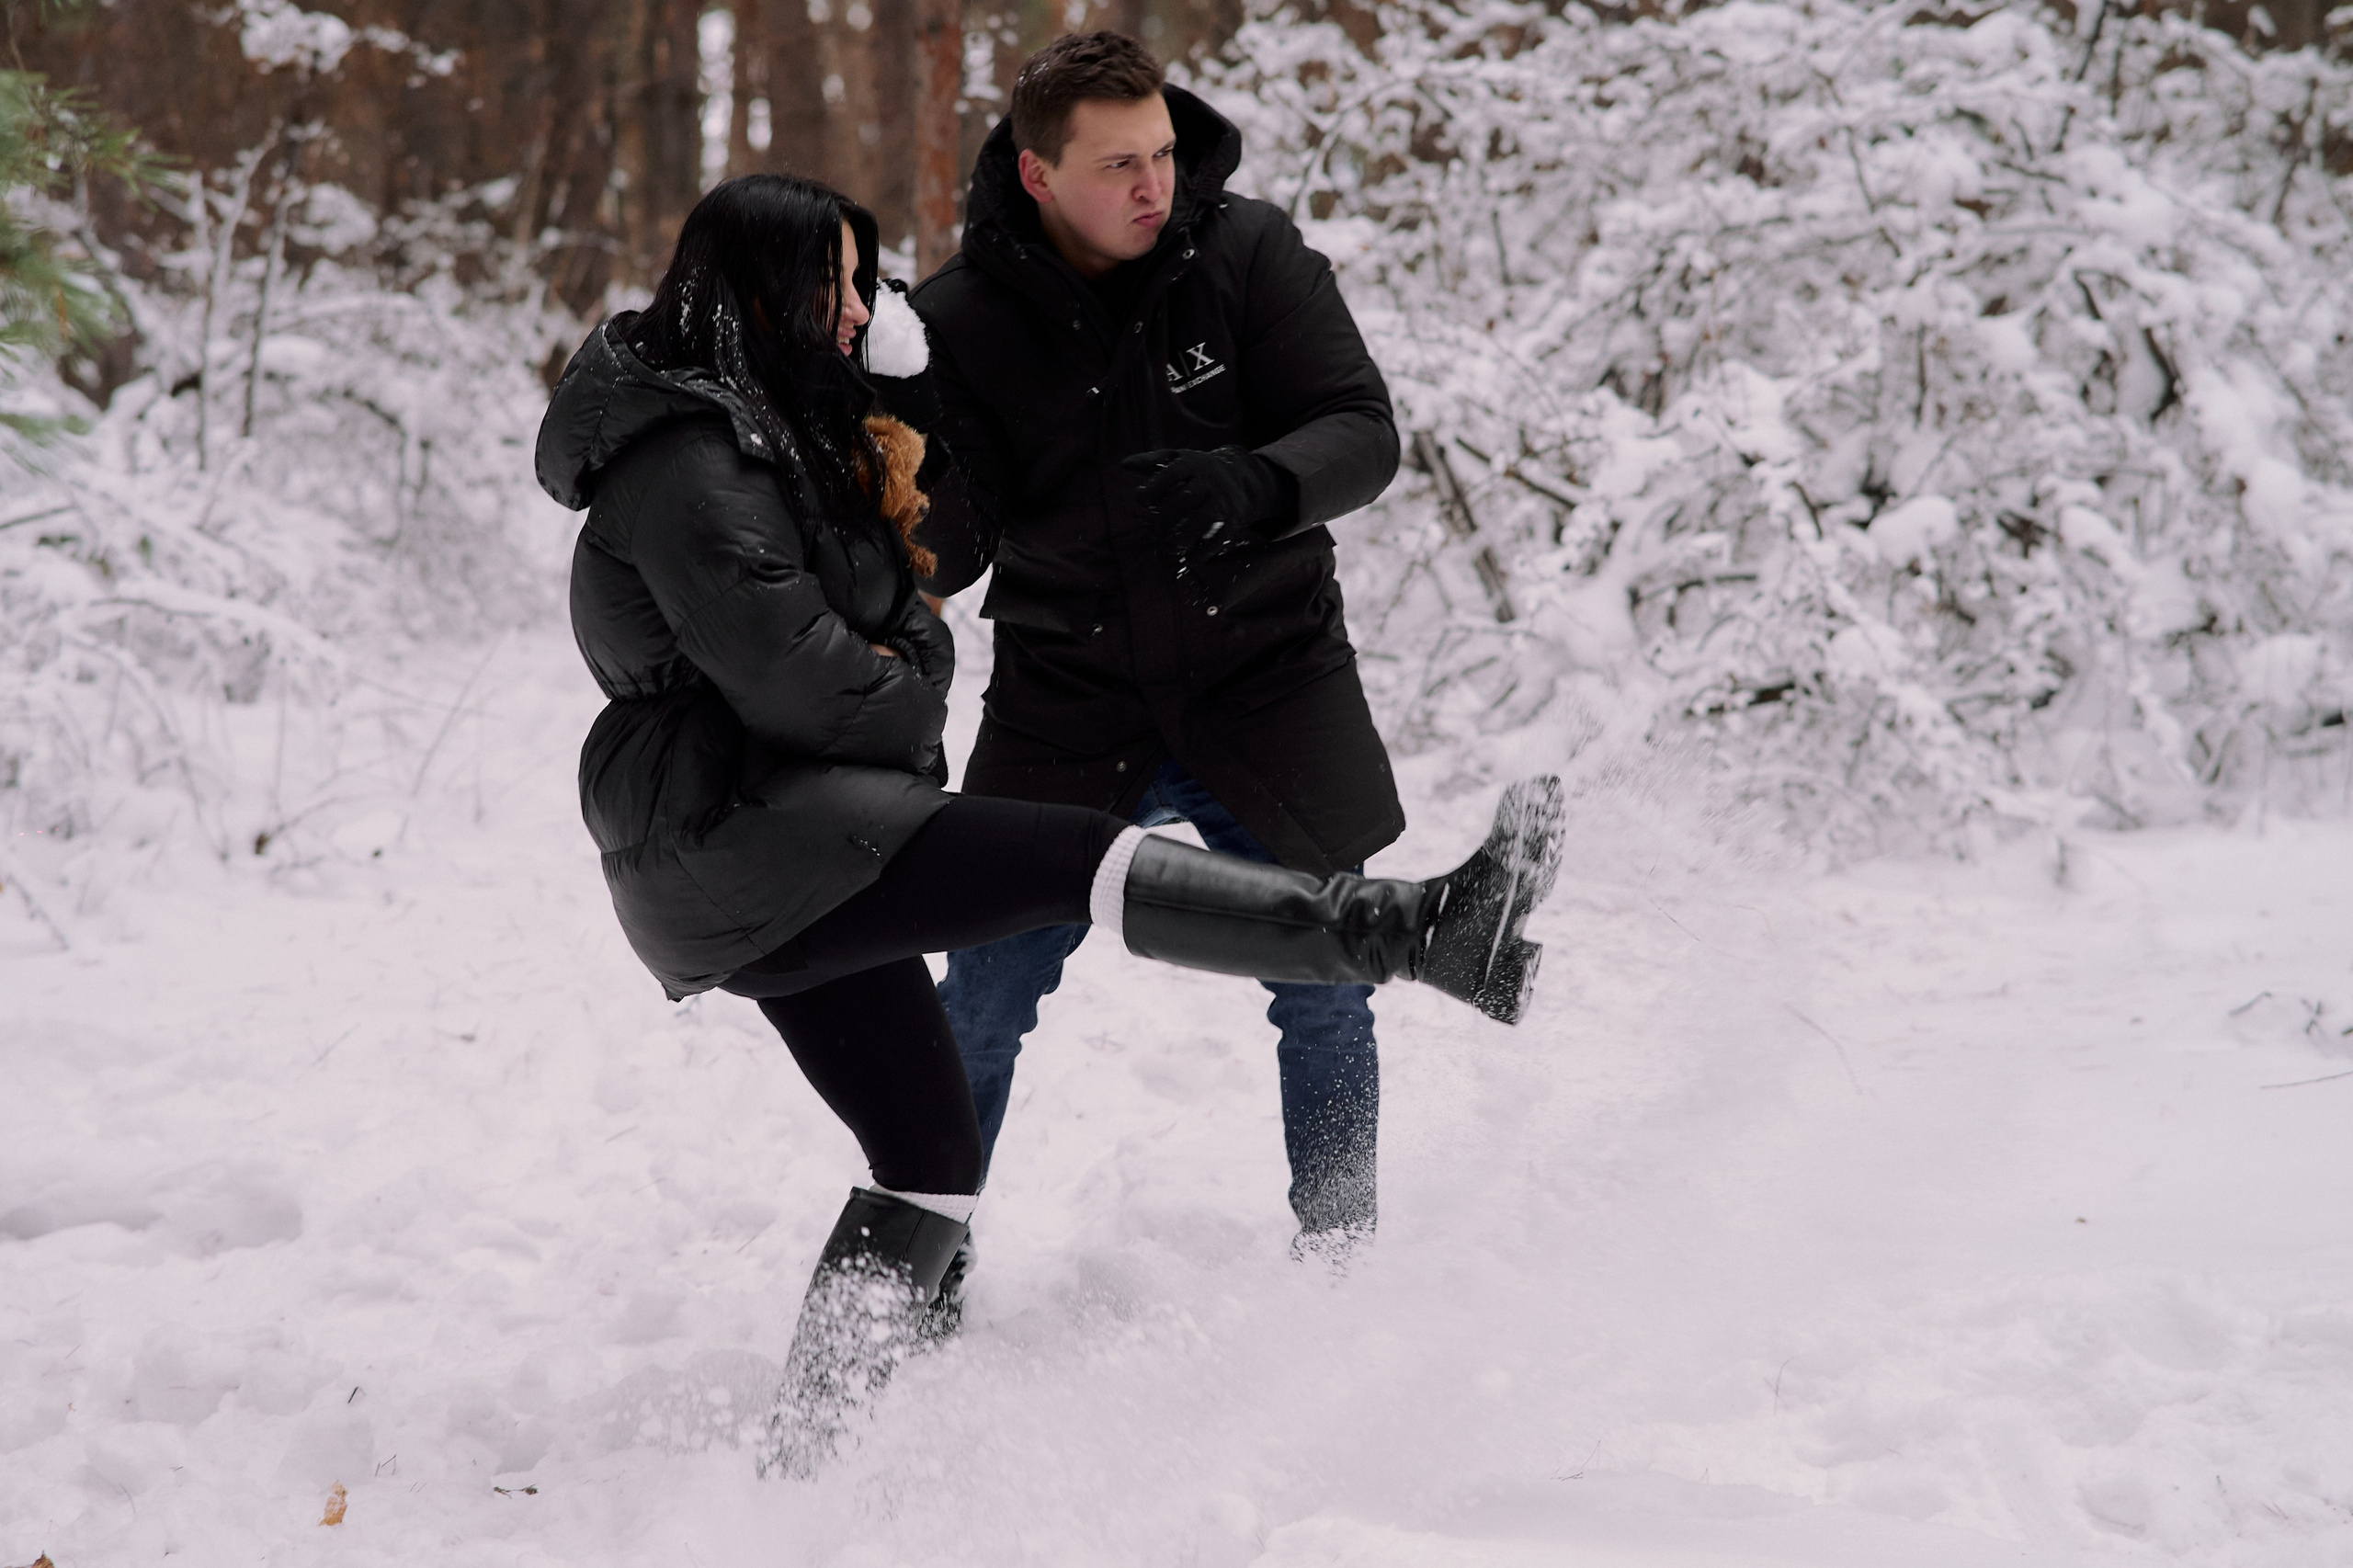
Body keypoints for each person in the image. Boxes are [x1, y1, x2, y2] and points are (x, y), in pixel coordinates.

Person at [535, 172, 1563, 1476]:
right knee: (1074, 857)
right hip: (747, 835)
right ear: (762, 290)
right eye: (838, 286)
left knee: (926, 1159)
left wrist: (901, 434)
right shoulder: (687, 462)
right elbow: (804, 672)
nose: (860, 310)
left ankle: (800, 1477)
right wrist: (913, 665)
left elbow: (901, 577)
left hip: (772, 834)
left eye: (865, 285)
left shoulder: (766, 430)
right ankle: (1415, 929)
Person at [908, 32, 1409, 1249]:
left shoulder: (1248, 256)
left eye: (1167, 154)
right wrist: (890, 467)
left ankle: (1343, 1262)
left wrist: (1258, 481)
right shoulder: (958, 319)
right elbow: (947, 549)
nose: (1155, 187)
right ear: (1037, 175)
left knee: (1327, 978)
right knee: (978, 1003)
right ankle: (920, 1266)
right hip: (1067, 700)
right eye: (1119, 164)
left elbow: (1361, 429)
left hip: (1265, 678)